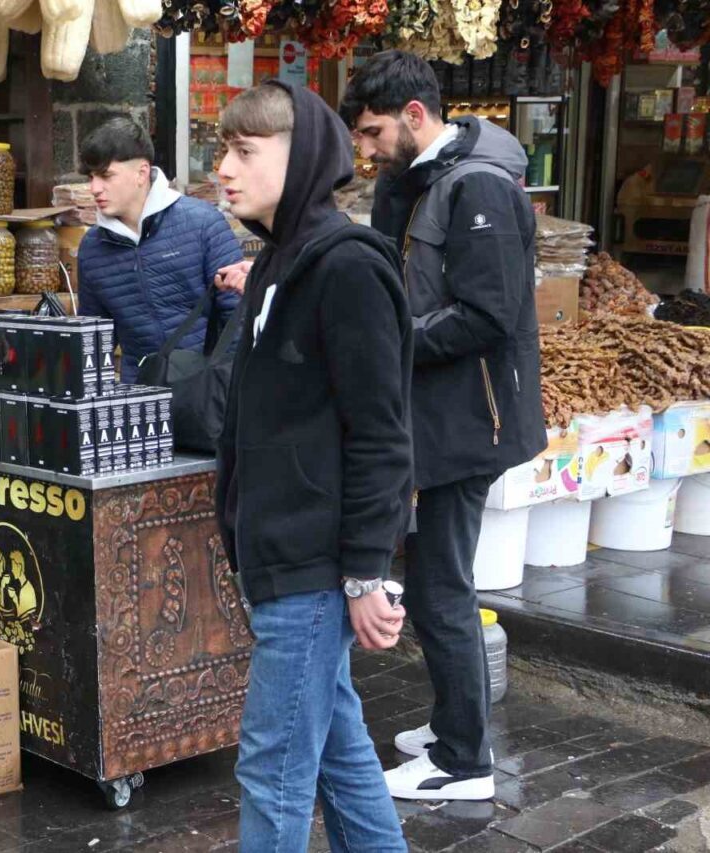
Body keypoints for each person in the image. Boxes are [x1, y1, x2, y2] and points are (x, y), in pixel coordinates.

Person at [341, 49, 545, 802]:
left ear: (415, 115)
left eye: (373, 133)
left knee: (439, 589)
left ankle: (463, 761)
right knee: (434, 581)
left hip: (471, 420)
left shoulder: (477, 185)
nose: (366, 151)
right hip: (438, 415)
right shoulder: (417, 178)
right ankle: (454, 726)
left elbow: (487, 315)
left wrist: (389, 341)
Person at [214, 80, 413, 852]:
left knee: (273, 769)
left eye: (244, 150)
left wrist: (366, 571)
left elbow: (381, 434)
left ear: (300, 160)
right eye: (223, 149)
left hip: (312, 564)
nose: (224, 168)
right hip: (277, 553)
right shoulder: (276, 261)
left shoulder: (347, 266)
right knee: (337, 753)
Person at [75, 117, 243, 381]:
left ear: (142, 173)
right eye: (91, 177)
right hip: (140, 393)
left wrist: (223, 384)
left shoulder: (202, 223)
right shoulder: (92, 247)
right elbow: (95, 341)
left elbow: (238, 314)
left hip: (207, 388)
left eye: (106, 175)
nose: (95, 188)